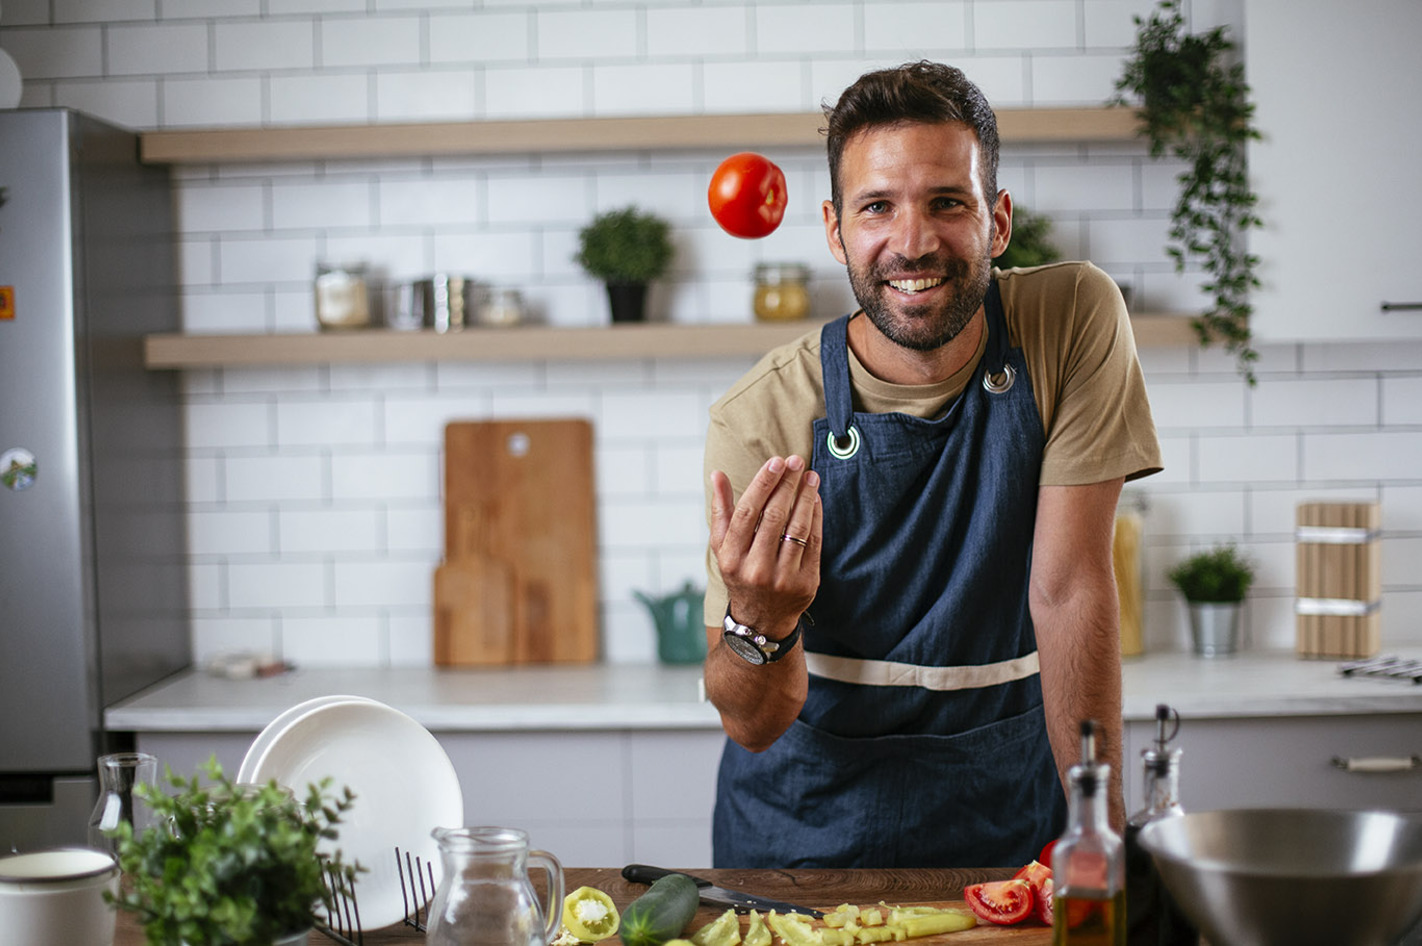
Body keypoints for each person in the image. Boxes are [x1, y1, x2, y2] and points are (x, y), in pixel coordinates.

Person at [701, 60, 1162, 869]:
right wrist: (759, 622)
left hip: (1009, 825)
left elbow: (1069, 588)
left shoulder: (1071, 322)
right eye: (877, 206)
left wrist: (1102, 832)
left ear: (998, 221)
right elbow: (751, 722)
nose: (912, 242)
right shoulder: (763, 416)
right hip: (803, 846)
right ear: (837, 229)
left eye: (948, 202)